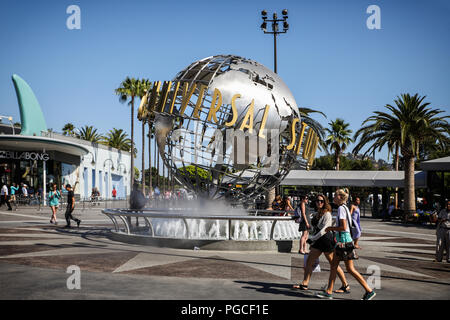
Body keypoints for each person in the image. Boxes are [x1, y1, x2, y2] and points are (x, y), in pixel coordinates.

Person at [317, 188, 376, 300]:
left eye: (335, 196)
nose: (333, 197)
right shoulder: (344, 208)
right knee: (342, 268)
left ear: (340, 197)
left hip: (343, 242)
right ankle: (368, 291)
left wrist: (330, 228)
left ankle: (368, 291)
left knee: (341, 267)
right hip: (346, 241)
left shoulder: (341, 209)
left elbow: (343, 227)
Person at [293, 194, 350, 293]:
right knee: (309, 261)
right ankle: (304, 283)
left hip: (326, 241)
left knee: (333, 264)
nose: (319, 202)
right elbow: (315, 228)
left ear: (325, 202)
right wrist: (312, 237)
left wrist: (312, 238)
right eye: (317, 201)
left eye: (321, 201)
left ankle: (345, 285)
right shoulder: (317, 212)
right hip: (318, 241)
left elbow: (325, 229)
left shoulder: (327, 214)